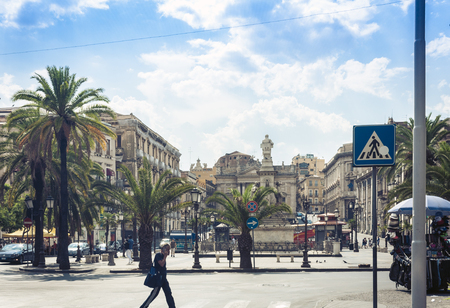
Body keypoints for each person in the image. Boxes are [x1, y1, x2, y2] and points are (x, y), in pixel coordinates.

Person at [140, 244, 175, 308]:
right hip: (158, 279)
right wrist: (165, 256)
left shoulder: (162, 255)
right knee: (154, 294)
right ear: (163, 249)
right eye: (167, 249)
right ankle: (143, 306)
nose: (168, 251)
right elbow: (161, 264)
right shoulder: (158, 255)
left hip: (163, 278)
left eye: (169, 250)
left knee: (168, 293)